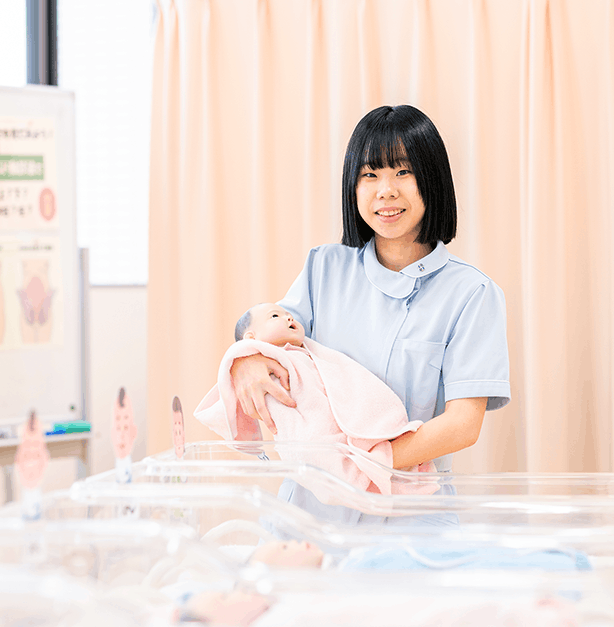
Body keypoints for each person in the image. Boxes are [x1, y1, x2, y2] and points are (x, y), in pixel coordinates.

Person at [228, 104, 510, 523]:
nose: (386, 190)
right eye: (370, 174)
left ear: (432, 180)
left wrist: (360, 465)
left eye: (403, 172)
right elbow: (265, 337)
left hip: (408, 507)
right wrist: (244, 361)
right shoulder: (323, 268)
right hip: (313, 507)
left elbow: (462, 425)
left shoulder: (472, 293)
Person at [194, 302, 437, 500]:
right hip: (306, 436)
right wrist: (242, 355)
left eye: (289, 315)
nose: (289, 318)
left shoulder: (309, 355)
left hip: (334, 431)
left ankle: (371, 465)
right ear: (251, 338)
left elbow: (341, 386)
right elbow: (227, 390)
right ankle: (359, 474)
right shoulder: (267, 365)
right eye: (276, 315)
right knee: (319, 454)